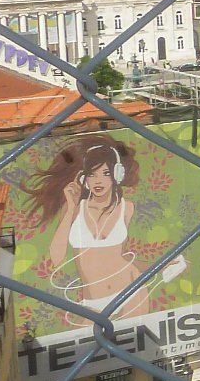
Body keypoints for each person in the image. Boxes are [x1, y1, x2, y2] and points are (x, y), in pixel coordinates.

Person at [19, 136, 184, 319]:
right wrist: (71, 209)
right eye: (92, 174)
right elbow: (56, 259)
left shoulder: (126, 208)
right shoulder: (74, 209)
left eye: (105, 173)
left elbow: (122, 258)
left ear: (117, 175)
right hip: (92, 303)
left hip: (131, 291)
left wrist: (161, 266)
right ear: (83, 179)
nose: (98, 181)